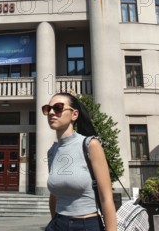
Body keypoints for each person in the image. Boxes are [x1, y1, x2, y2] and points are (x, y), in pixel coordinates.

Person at [44, 92, 117, 231]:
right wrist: (54, 221)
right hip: (58, 224)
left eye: (58, 108)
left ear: (74, 115)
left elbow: (106, 198)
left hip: (86, 225)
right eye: (48, 109)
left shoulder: (91, 145)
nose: (51, 112)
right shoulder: (52, 151)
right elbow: (54, 195)